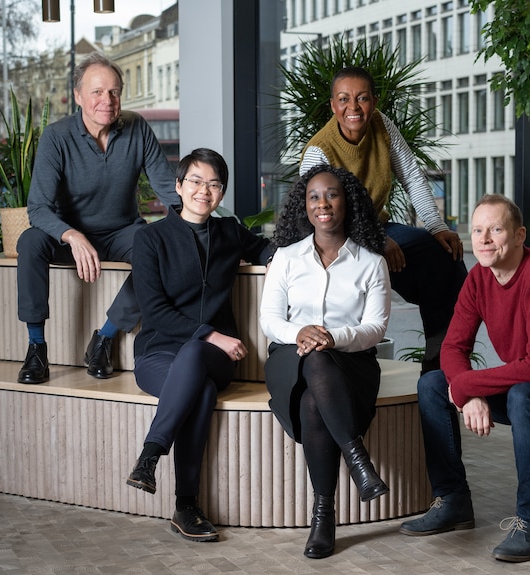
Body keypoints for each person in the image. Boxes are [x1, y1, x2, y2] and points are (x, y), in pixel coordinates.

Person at [399, 194, 530, 563]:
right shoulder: (479, 278)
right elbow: (452, 349)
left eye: (495, 229)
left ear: (518, 236)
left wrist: (465, 387)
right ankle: (453, 500)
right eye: (478, 230)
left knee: (523, 395)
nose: (484, 239)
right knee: (432, 383)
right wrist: (470, 393)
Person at [125, 148, 271, 542]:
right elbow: (154, 312)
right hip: (158, 354)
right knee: (200, 391)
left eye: (213, 184)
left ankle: (150, 456)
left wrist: (282, 262)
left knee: (196, 359)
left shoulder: (229, 232)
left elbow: (266, 250)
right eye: (195, 181)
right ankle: (186, 505)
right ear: (178, 186)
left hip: (214, 358)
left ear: (221, 193)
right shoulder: (150, 239)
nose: (203, 191)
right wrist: (213, 333)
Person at [16, 52, 181, 385]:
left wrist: (196, 227)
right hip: (70, 235)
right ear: (78, 96)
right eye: (96, 92)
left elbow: (168, 189)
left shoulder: (137, 128)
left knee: (160, 249)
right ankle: (36, 347)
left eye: (114, 92)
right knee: (30, 241)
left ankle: (104, 338)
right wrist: (72, 236)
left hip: (122, 232)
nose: (107, 100)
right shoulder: (56, 137)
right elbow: (38, 208)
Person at [260, 165, 391, 559]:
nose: (323, 203)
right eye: (314, 196)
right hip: (289, 358)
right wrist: (299, 333)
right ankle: (357, 460)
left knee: (316, 390)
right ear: (305, 204)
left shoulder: (370, 261)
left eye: (331, 194)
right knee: (314, 361)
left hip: (351, 364)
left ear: (346, 202)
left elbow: (376, 327)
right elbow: (269, 319)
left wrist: (334, 338)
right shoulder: (285, 258)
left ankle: (323, 515)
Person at [300, 66, 467, 373]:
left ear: (374, 101)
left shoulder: (382, 125)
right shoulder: (318, 151)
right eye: (344, 99)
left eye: (362, 98)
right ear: (333, 105)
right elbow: (319, 217)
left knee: (445, 256)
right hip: (337, 235)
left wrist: (438, 227)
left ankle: (441, 366)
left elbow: (413, 178)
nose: (353, 107)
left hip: (378, 226)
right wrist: (374, 239)